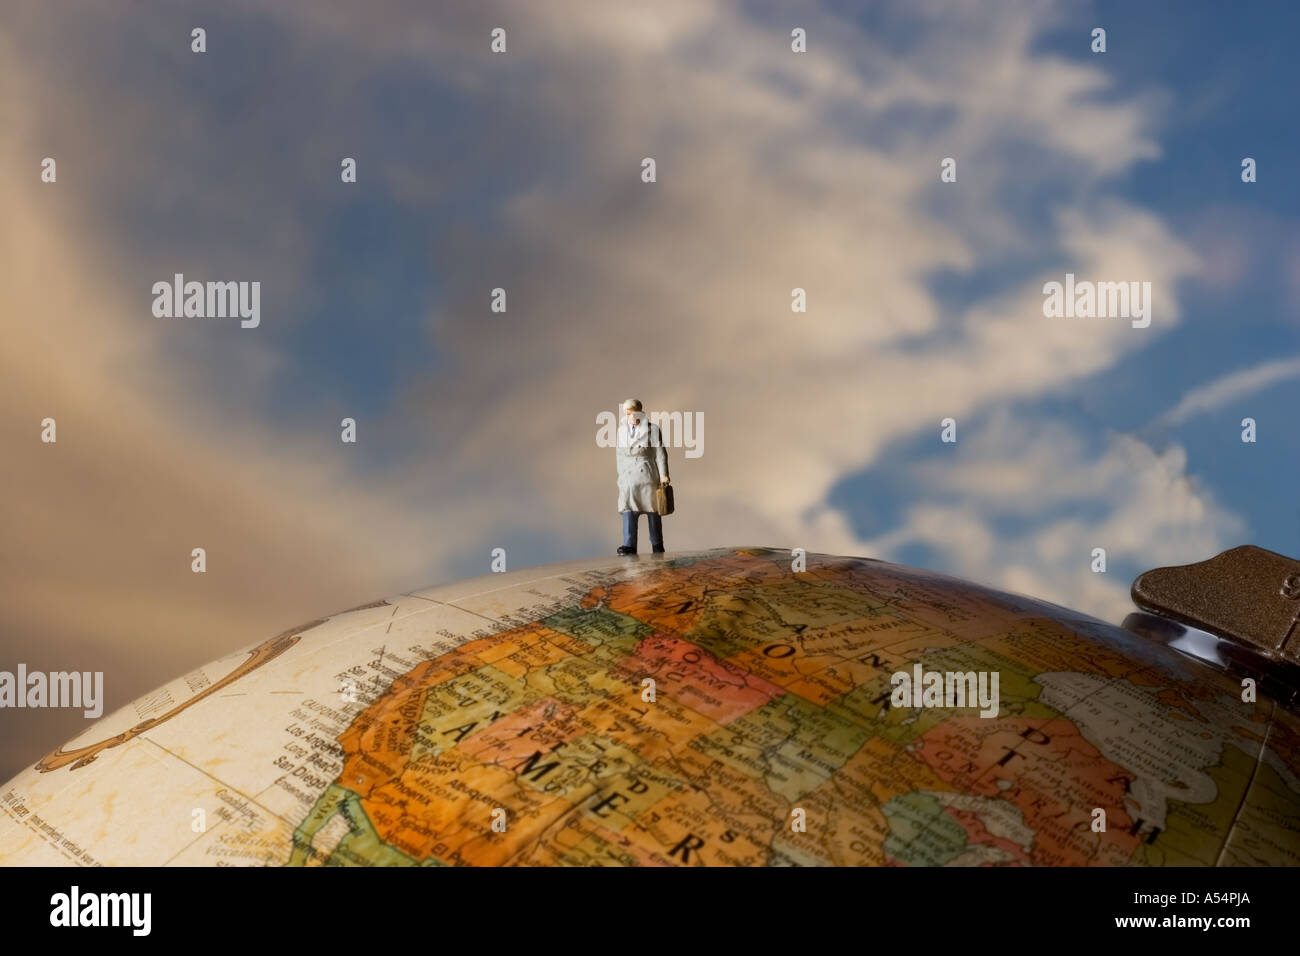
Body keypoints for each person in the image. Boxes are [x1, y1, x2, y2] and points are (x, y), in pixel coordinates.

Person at [615, 399, 670, 555]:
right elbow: (619, 455)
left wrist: (664, 475)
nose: (630, 416)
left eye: (633, 412)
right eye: (627, 413)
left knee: (653, 510)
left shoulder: (652, 429)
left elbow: (660, 453)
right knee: (629, 509)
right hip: (628, 478)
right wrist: (621, 477)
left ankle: (657, 544)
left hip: (647, 474)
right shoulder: (621, 431)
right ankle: (629, 544)